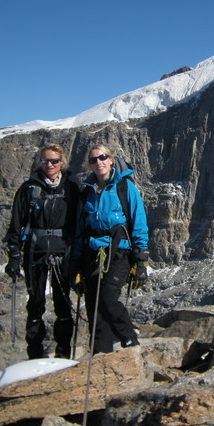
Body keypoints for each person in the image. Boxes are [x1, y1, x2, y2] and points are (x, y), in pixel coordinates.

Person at [70, 144, 150, 354]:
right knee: (94, 310)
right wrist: (76, 265)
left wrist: (141, 260)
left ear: (111, 160)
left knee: (106, 298)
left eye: (102, 157)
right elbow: (81, 230)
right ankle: (100, 355)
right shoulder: (86, 191)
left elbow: (138, 222)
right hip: (91, 254)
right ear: (89, 165)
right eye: (93, 160)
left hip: (119, 253)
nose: (98, 162)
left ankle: (129, 340)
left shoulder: (124, 187)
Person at [4, 143, 80, 359]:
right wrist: (14, 256)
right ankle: (35, 355)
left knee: (63, 304)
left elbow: (78, 223)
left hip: (63, 253)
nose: (50, 164)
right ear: (40, 163)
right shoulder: (28, 189)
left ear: (61, 163)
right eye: (46, 160)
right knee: (35, 304)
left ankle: (63, 353)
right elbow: (16, 224)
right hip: (34, 253)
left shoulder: (72, 189)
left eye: (54, 161)